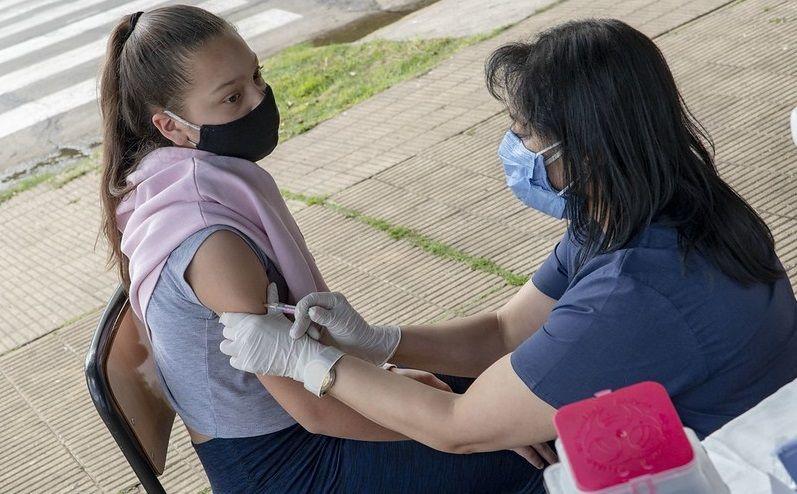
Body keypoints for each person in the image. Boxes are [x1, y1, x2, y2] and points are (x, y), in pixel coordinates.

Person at [219, 18, 797, 464]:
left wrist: (311, 360)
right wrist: (379, 342)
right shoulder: (657, 207)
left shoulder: (637, 291)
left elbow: (457, 426)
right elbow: (505, 331)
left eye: (524, 135)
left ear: (585, 151)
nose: (513, 150)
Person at [99, 5, 545, 494]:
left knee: (520, 389)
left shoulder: (172, 185)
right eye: (231, 97)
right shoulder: (212, 242)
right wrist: (471, 430)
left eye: (256, 76)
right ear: (172, 127)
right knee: (539, 444)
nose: (259, 100)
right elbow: (314, 412)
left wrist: (400, 377)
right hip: (289, 467)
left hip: (310, 420)